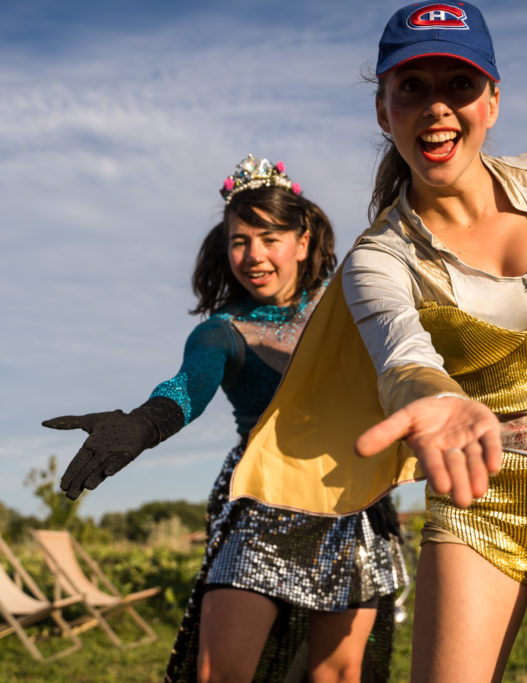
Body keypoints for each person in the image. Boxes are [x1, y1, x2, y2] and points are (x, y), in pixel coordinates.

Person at [231, 4, 527, 681]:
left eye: (459, 84)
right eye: (412, 87)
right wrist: (434, 396)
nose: (437, 108)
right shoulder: (380, 258)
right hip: (476, 504)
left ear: (493, 99)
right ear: (383, 110)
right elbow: (404, 356)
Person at [43, 154, 407, 683]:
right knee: (220, 673)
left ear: (303, 240)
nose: (253, 255)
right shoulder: (222, 331)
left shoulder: (351, 305)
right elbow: (188, 386)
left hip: (349, 498)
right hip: (262, 503)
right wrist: (144, 425)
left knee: (336, 677)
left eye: (269, 237)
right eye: (240, 240)